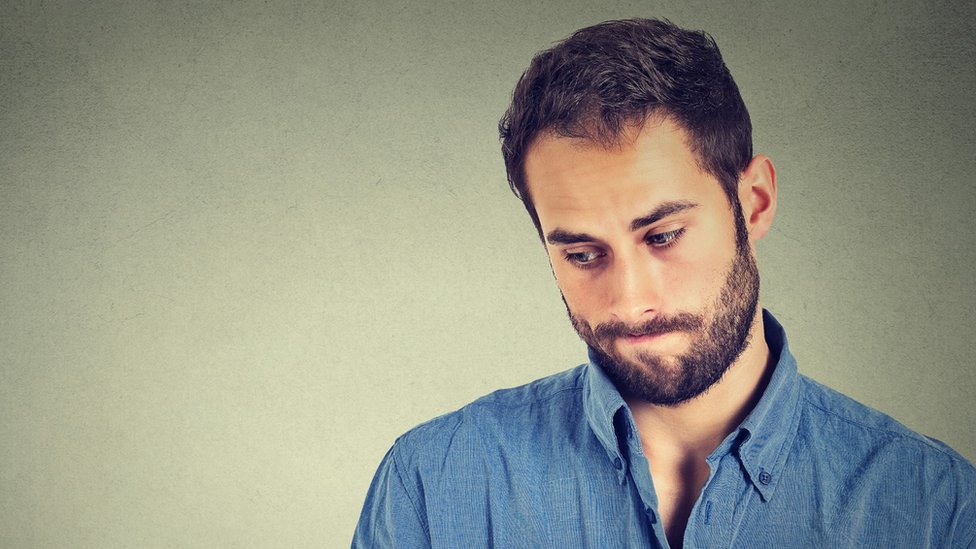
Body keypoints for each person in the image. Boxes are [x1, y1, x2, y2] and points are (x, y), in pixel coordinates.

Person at [352, 18, 975, 548]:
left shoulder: (935, 510)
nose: (631, 300)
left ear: (753, 203)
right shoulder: (429, 487)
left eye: (662, 235)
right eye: (583, 253)